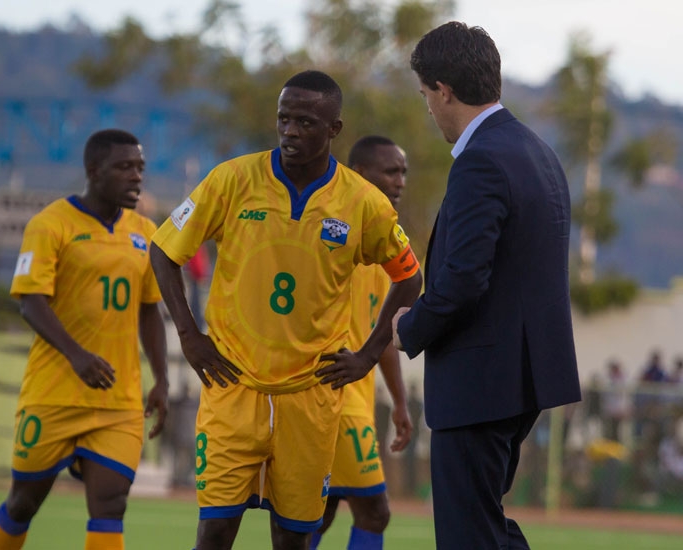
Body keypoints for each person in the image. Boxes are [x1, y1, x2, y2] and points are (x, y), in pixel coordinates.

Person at [149, 70, 423, 550]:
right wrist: (189, 336)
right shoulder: (232, 179)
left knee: (294, 539)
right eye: (284, 119)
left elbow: (410, 278)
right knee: (214, 531)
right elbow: (163, 249)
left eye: (306, 122)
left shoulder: (363, 203)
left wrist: (366, 355)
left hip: (311, 399)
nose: (291, 131)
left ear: (334, 129)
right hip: (232, 388)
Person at [391, 22, 581, 550]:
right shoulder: (537, 151)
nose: (429, 108)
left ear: (444, 91)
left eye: (427, 95)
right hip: (519, 377)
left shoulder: (481, 159)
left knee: (467, 534)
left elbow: (463, 280)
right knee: (484, 526)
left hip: (481, 380)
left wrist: (411, 327)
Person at [0, 128, 169, 550]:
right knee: (23, 503)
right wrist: (77, 356)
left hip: (118, 401)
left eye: (139, 167)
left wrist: (161, 378)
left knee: (110, 507)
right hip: (53, 396)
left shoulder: (147, 231)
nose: (136, 177)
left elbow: (149, 310)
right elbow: (31, 303)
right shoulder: (50, 225)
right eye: (124, 167)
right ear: (93, 170)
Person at [310, 135, 414, 550]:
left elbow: (381, 335)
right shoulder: (336, 235)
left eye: (404, 172)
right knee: (373, 512)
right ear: (359, 174)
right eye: (392, 171)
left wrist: (400, 402)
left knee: (319, 514)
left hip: (356, 400)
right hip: (335, 399)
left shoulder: (385, 243)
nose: (401, 181)